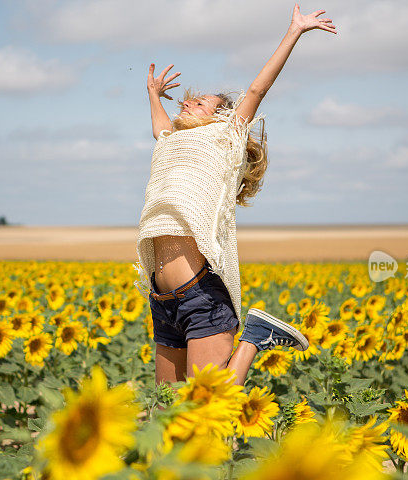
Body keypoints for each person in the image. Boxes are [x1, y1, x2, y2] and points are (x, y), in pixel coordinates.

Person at [134, 4, 337, 386]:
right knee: (163, 414)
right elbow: (159, 127)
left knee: (208, 407)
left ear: (221, 117)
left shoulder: (223, 137)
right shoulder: (171, 142)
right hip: (162, 301)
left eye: (200, 102)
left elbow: (258, 88)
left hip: (200, 296)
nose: (188, 102)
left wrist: (294, 31)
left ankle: (255, 338)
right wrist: (153, 94)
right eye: (188, 100)